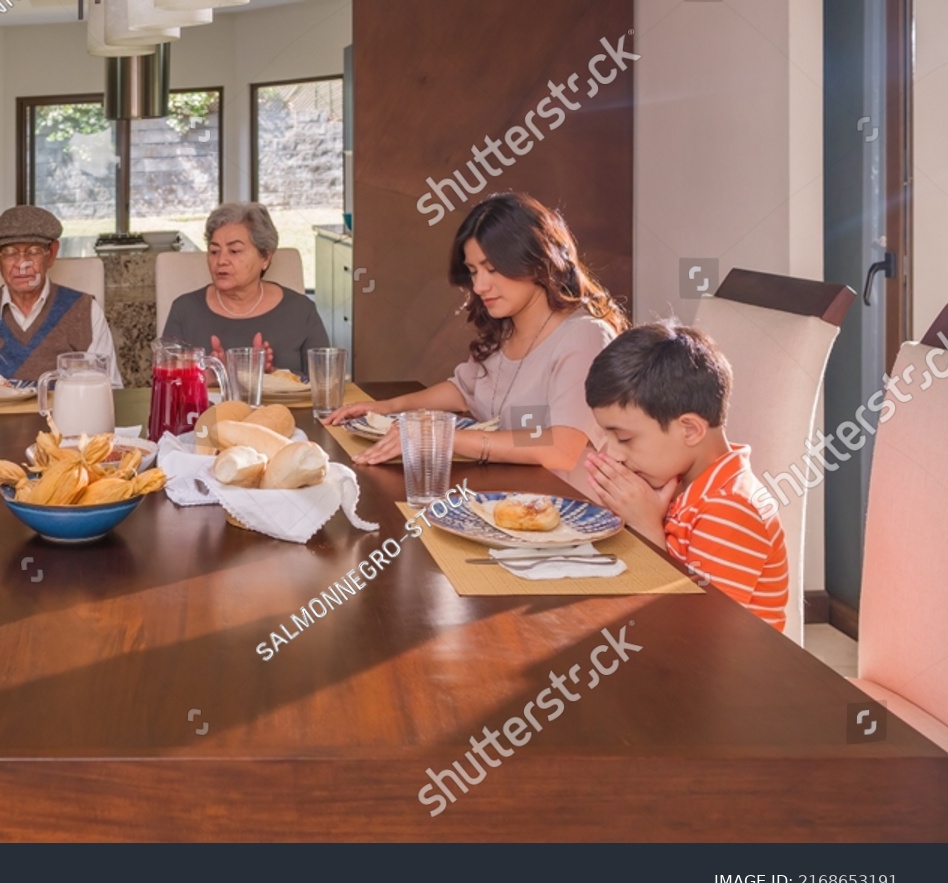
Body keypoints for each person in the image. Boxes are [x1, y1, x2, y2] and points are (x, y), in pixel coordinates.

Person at [325, 192, 626, 470]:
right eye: (473, 271)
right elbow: (464, 390)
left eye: (492, 269)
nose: (479, 287)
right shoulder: (509, 326)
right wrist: (387, 408)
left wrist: (443, 438)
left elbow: (561, 448)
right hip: (514, 495)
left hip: (570, 507)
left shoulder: (584, 336)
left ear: (536, 262)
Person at [583, 322, 788, 631]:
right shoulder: (674, 478)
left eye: (624, 439)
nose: (611, 454)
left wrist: (647, 528)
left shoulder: (729, 508)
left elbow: (700, 633)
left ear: (689, 430)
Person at [0, 205, 124, 388]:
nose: (22, 264)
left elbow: (109, 389)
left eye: (34, 251)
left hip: (62, 417)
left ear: (52, 253)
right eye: (10, 253)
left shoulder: (84, 310)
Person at [161, 202, 331, 375]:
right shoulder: (185, 310)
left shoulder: (300, 310)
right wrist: (210, 377)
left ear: (265, 257)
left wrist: (273, 377)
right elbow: (166, 383)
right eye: (214, 251)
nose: (221, 261)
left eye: (234, 251)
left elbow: (325, 382)